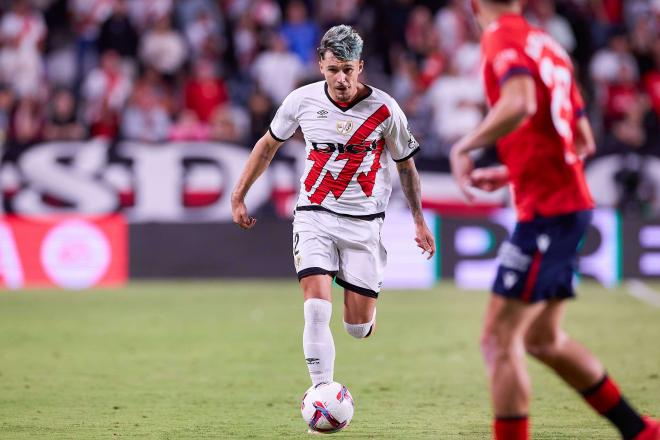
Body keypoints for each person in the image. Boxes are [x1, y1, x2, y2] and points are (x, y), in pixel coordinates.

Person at [449, 1, 660, 440]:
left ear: (471, 5)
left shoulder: (500, 35)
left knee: (498, 340)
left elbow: (521, 102)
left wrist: (464, 145)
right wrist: (513, 171)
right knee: (542, 339)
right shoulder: (548, 44)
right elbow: (581, 140)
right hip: (567, 205)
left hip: (548, 213)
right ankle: (639, 431)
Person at [231, 24, 435, 400]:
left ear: (360, 66)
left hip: (364, 224)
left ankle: (360, 305)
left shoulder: (386, 109)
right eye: (332, 70)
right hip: (314, 214)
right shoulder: (301, 101)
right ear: (320, 67)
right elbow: (267, 146)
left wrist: (419, 221)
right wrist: (239, 194)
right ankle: (322, 394)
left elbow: (406, 166)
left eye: (347, 69)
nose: (340, 79)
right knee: (314, 310)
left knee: (357, 328)